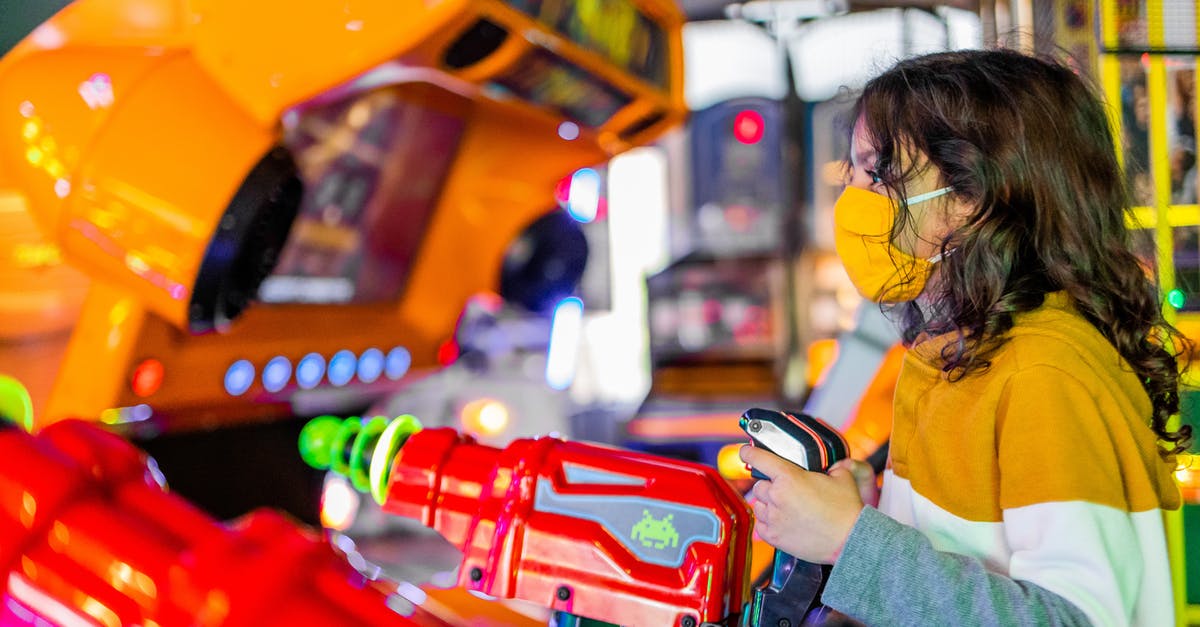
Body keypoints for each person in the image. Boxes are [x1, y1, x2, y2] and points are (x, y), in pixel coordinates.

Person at [741, 48, 1190, 626]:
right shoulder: (955, 353)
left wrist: (849, 541)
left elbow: (1073, 619)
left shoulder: (1042, 374)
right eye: (851, 174)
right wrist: (870, 509)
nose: (852, 201)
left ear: (975, 197)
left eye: (879, 175)